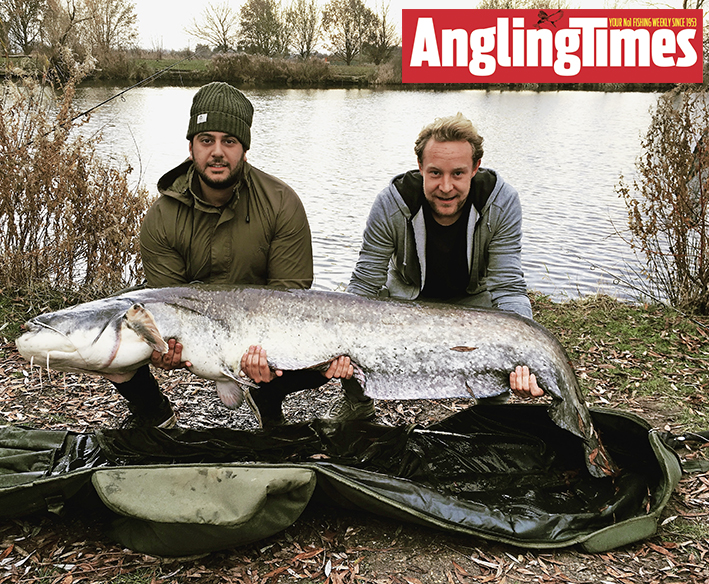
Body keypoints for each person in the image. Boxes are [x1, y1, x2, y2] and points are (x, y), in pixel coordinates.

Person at [105, 82, 352, 429]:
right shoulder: (161, 216)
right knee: (115, 335)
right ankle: (153, 411)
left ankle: (267, 399)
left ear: (244, 150)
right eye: (206, 140)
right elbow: (169, 303)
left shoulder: (282, 202)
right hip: (193, 335)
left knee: (329, 351)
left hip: (263, 332)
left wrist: (265, 355)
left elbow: (291, 301)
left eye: (229, 141)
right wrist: (164, 345)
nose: (217, 152)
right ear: (191, 147)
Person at [337, 113, 543, 420]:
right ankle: (358, 404)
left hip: (473, 302)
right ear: (420, 167)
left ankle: (492, 409)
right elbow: (365, 284)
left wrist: (524, 354)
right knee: (355, 335)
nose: (446, 187)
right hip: (405, 303)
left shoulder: (501, 202)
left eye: (458, 173)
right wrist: (343, 344)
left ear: (476, 167)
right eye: (435, 173)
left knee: (502, 338)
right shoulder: (390, 204)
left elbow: (508, 286)